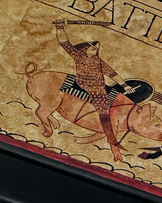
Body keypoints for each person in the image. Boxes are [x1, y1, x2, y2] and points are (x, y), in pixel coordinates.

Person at [54, 18, 134, 160]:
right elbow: (65, 43)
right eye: (93, 48)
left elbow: (111, 73)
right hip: (87, 84)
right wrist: (59, 27)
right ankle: (110, 137)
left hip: (99, 85)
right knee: (103, 107)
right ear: (86, 48)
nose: (95, 51)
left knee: (114, 97)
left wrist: (125, 86)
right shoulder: (79, 55)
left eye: (97, 49)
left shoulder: (98, 60)